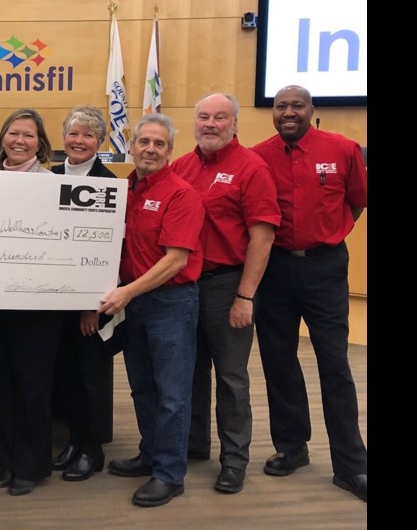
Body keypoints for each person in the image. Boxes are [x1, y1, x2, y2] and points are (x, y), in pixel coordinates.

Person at [252, 85, 367, 502]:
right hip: (275, 269)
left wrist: (330, 235)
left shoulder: (343, 149)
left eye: (296, 106)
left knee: (335, 365)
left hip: (325, 268)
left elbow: (357, 202)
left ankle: (351, 466)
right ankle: (292, 447)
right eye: (280, 106)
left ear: (311, 110)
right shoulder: (258, 156)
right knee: (279, 361)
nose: (288, 112)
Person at [171, 93, 280, 494]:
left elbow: (262, 237)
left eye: (220, 117)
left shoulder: (252, 168)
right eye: (203, 117)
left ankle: (234, 461)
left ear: (235, 124)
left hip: (227, 286)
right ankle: (194, 445)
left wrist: (245, 296)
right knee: (189, 372)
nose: (210, 124)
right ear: (194, 122)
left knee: (232, 379)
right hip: (183, 285)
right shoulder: (181, 166)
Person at [101, 113, 205, 508]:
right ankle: (150, 453)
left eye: (159, 144)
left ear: (169, 151)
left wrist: (126, 293)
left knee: (172, 394)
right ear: (132, 146)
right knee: (142, 386)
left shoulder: (182, 194)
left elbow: (175, 260)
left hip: (170, 304)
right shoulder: (123, 189)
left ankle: (169, 474)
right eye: (144, 141)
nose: (150, 149)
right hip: (135, 302)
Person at [0, 108, 64, 496]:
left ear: (41, 144)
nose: (19, 141)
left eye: (28, 136)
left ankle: (32, 466)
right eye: (12, 133)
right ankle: (8, 460)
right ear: (2, 139)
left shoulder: (52, 184)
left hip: (38, 306)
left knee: (32, 386)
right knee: (1, 384)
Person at [50, 105, 118, 482]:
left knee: (91, 378)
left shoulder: (107, 182)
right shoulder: (51, 177)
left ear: (100, 142)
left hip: (90, 306)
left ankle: (92, 450)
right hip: (55, 301)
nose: (78, 141)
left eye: (88, 135)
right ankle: (75, 440)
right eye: (73, 133)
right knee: (68, 377)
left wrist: (92, 307)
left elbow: (105, 251)